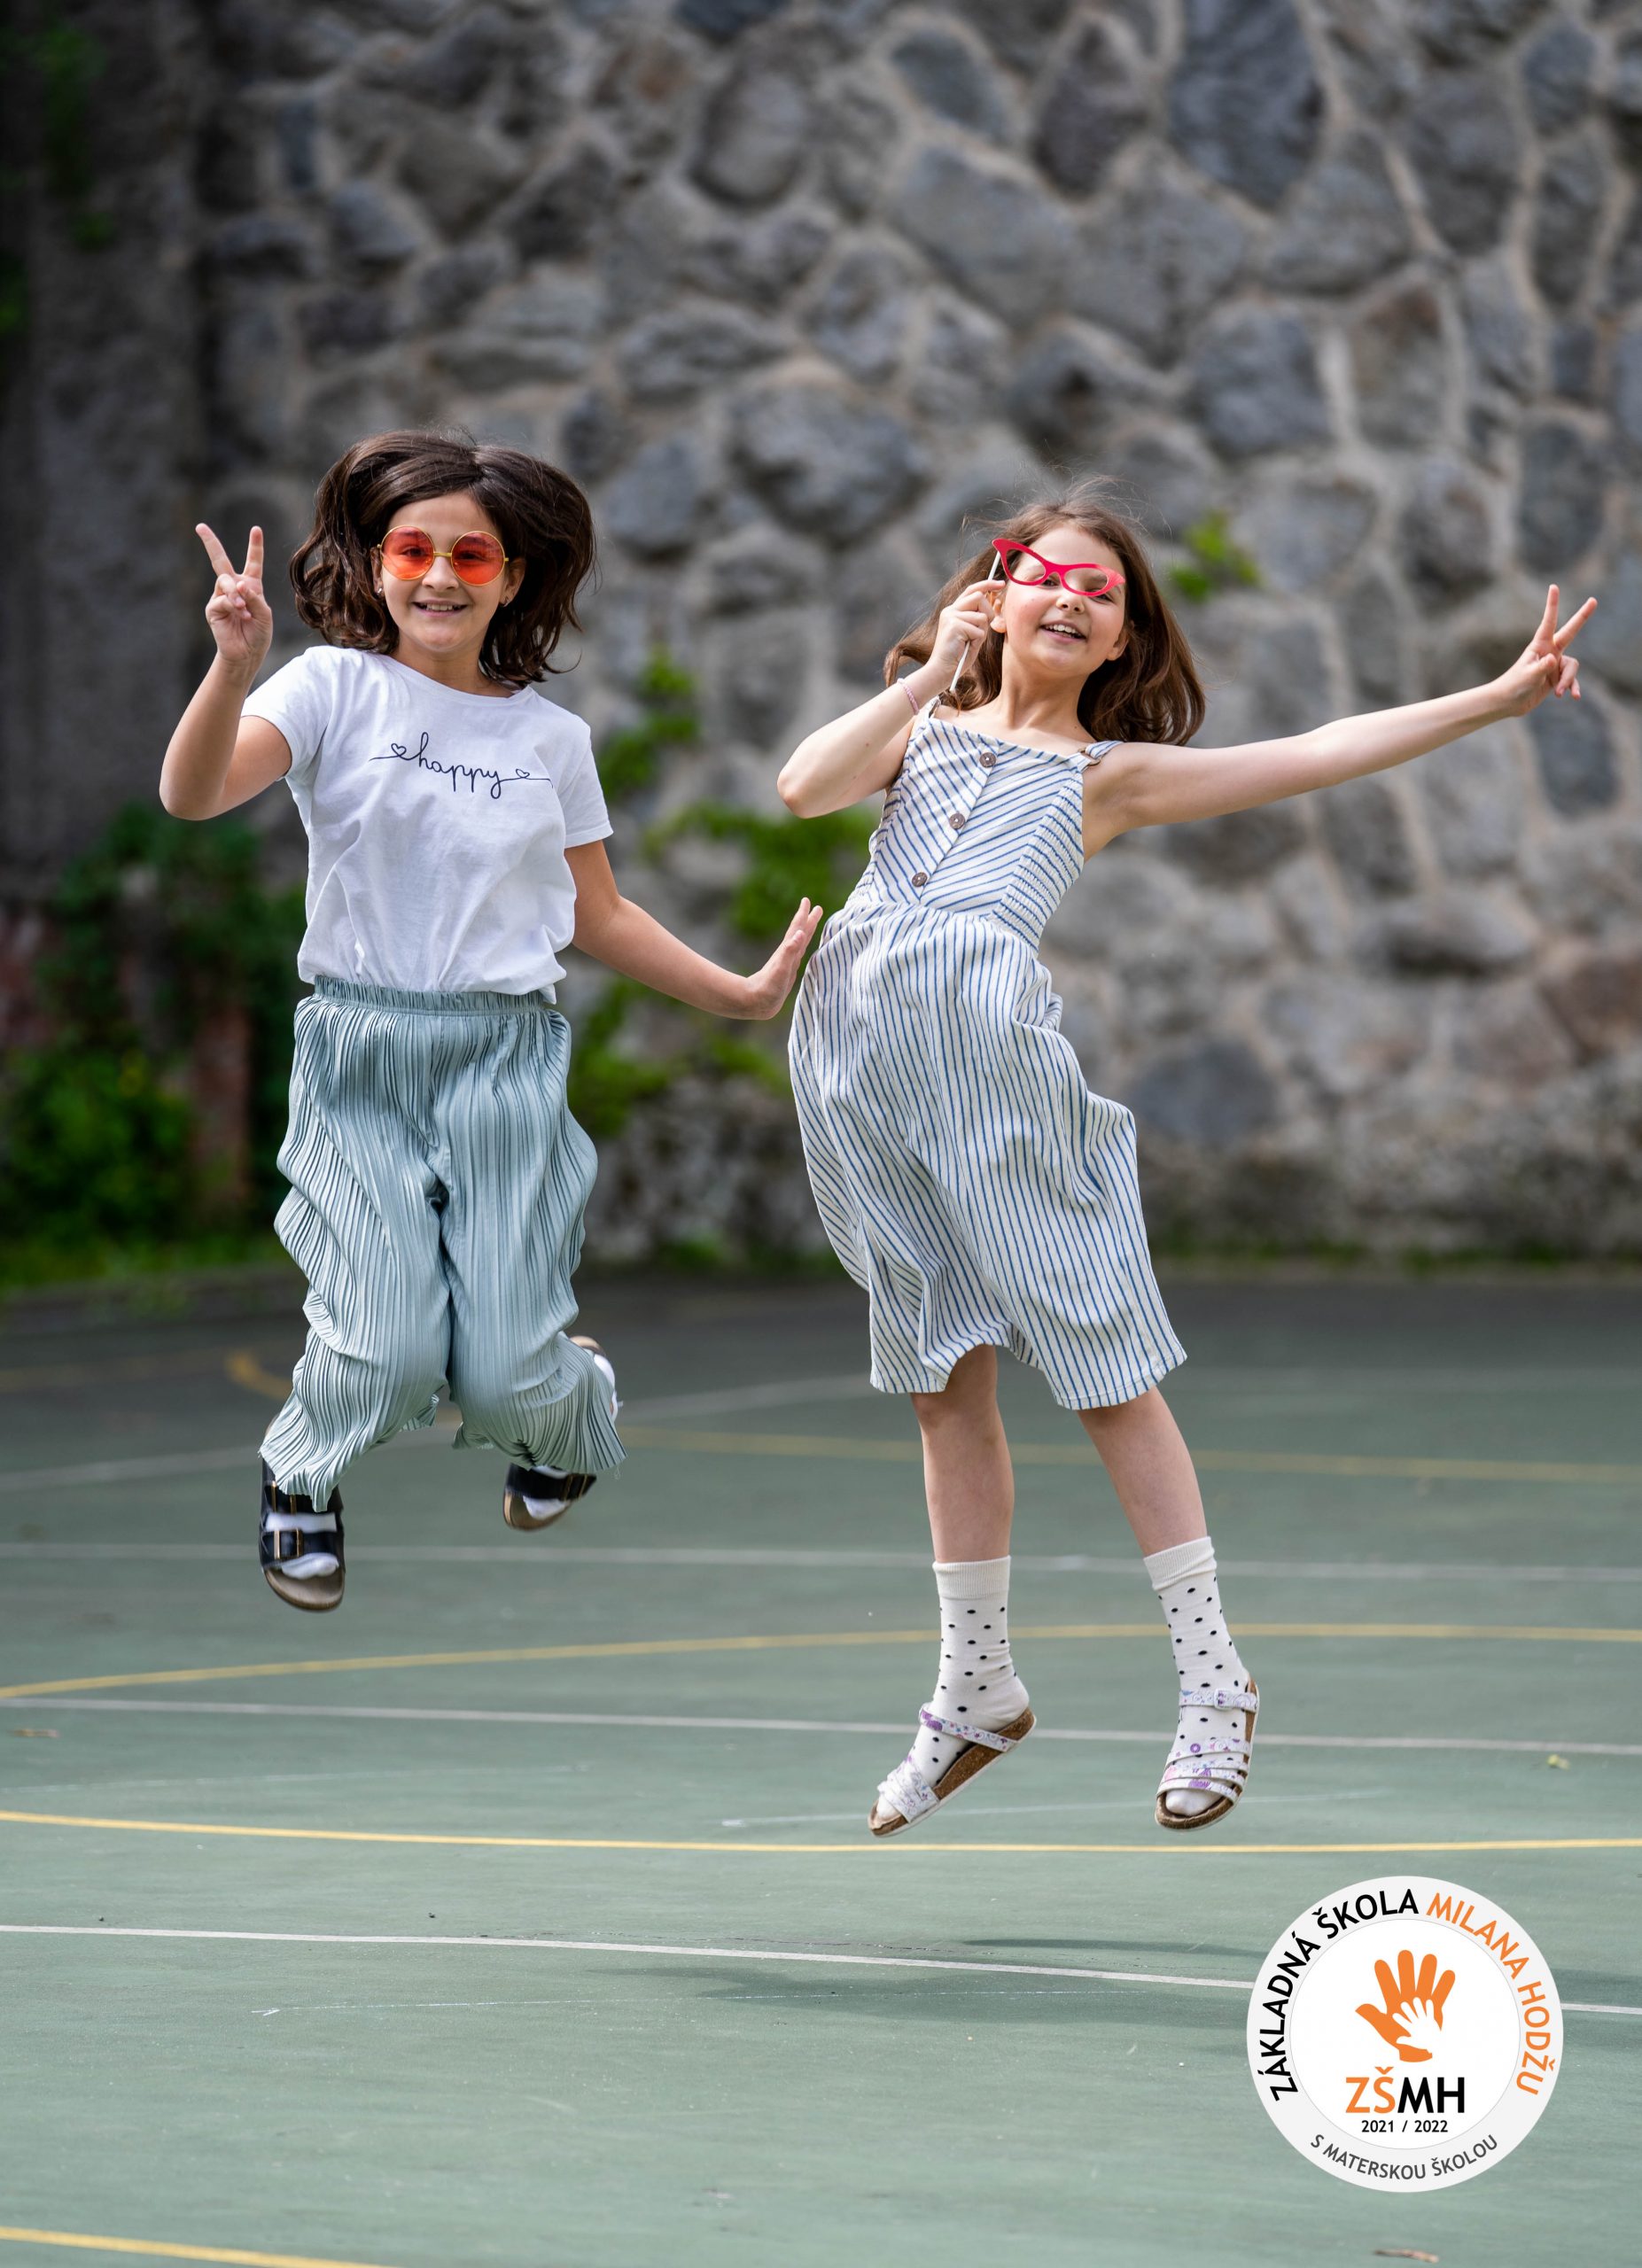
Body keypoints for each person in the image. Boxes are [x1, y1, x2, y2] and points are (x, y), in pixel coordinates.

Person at [777, 479, 1594, 1837]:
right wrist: (933, 668)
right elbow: (804, 787)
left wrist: (1489, 700)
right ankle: (975, 1687)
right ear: (994, 593)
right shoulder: (914, 734)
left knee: (1104, 1372)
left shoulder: (1106, 776)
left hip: (992, 1078)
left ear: (1121, 641)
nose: (1069, 599)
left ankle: (1214, 1684)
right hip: (856, 1075)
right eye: (1045, 574)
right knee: (937, 1382)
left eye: (1099, 593)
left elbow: (1320, 749)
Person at [160, 429, 819, 1612]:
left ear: (512, 578)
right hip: (361, 1053)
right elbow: (193, 793)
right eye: (411, 550)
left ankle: (571, 1410)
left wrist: (738, 991)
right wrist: (233, 667)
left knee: (513, 1371)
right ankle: (300, 1475)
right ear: (374, 566)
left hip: (503, 1062)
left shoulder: (550, 741)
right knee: (389, 1347)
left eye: (471, 556)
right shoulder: (327, 688)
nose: (439, 577)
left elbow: (597, 914)